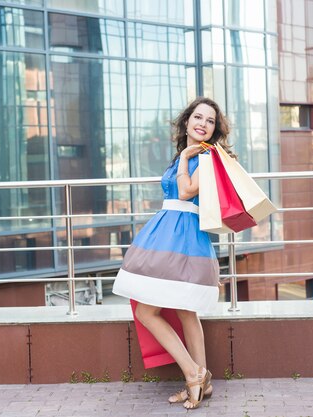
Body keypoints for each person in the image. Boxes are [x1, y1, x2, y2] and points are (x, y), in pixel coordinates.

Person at [112, 97, 234, 409]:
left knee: (148, 311)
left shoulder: (206, 157)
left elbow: (185, 191)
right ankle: (201, 380)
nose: (202, 124)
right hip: (169, 233)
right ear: (186, 122)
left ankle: (194, 374)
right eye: (198, 117)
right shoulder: (186, 154)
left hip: (183, 238)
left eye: (209, 121)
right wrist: (182, 157)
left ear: (214, 129)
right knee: (185, 311)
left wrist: (185, 159)